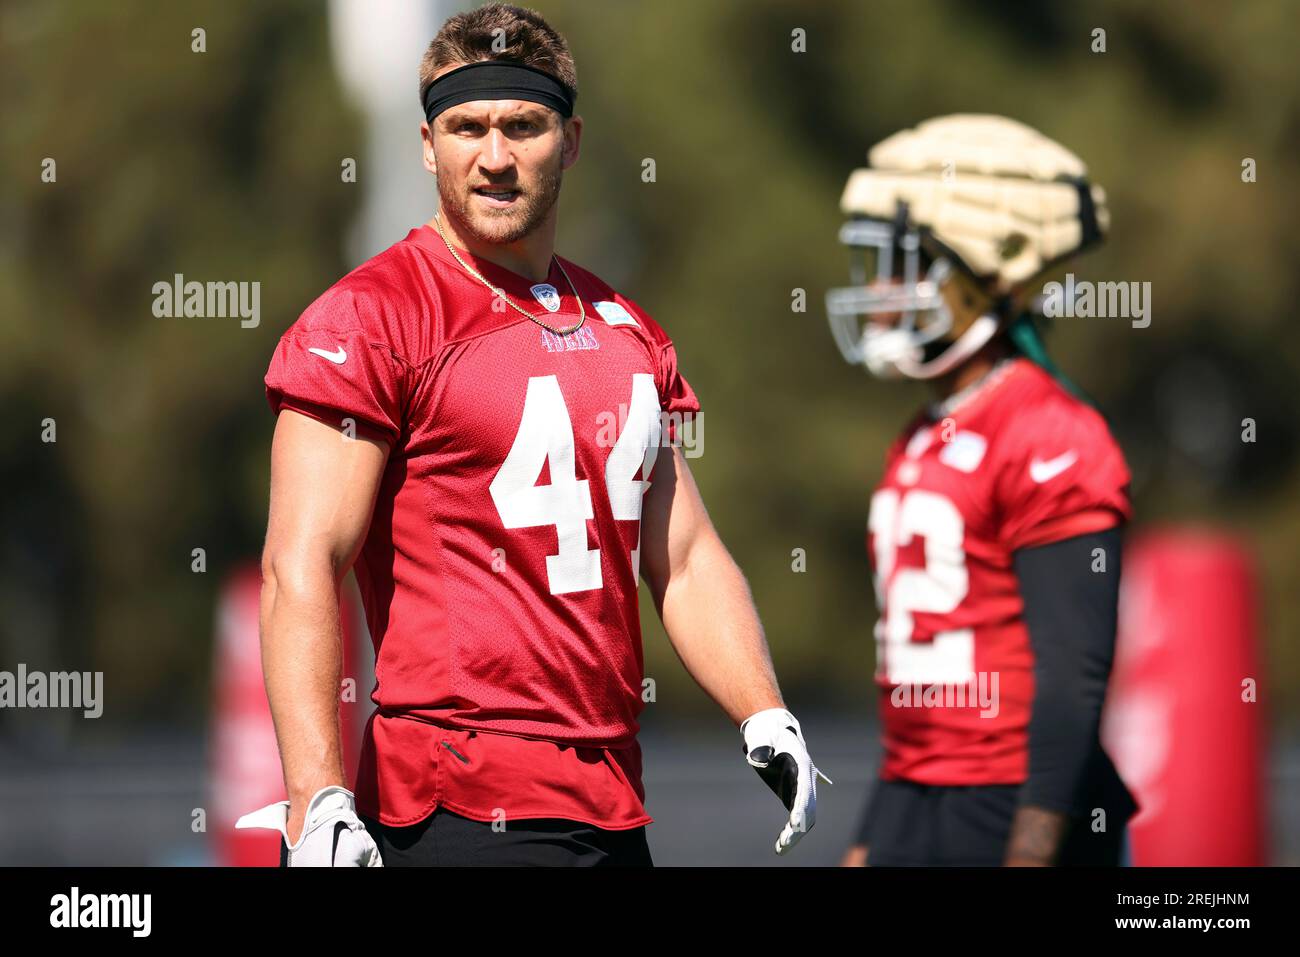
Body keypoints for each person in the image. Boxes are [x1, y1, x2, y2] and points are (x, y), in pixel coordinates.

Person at [235, 2, 825, 867]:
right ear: (428, 145)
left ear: (572, 140)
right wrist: (316, 794)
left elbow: (686, 553)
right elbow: (300, 563)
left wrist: (762, 707)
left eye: (523, 124)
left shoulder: (625, 327)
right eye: (467, 126)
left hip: (612, 802)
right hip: (454, 802)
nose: (496, 155)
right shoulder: (373, 315)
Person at [826, 115, 1136, 866]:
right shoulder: (924, 430)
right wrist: (876, 831)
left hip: (1018, 797)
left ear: (971, 277)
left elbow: (1074, 674)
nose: (880, 292)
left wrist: (1033, 845)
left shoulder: (1047, 430)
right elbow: (914, 679)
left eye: (899, 266)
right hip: (919, 791)